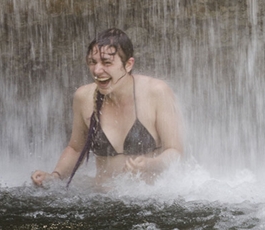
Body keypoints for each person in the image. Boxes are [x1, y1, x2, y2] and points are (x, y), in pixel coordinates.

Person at [31, 28, 183, 187]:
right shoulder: (84, 97)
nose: (97, 70)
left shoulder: (156, 92)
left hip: (148, 198)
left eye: (107, 62)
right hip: (102, 199)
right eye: (92, 62)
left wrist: (150, 164)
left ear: (128, 64)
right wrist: (55, 177)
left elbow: (175, 152)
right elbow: (76, 149)